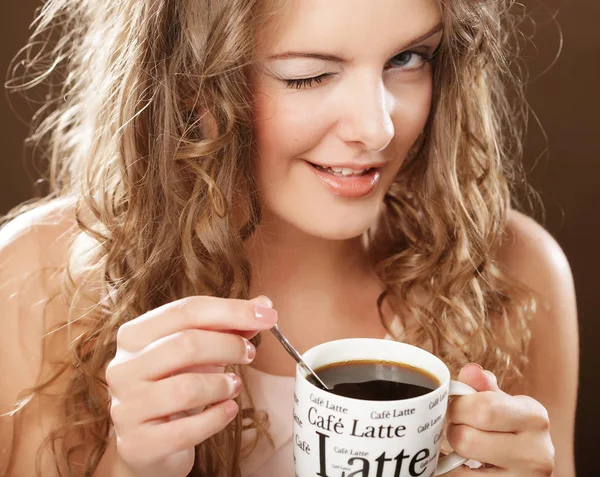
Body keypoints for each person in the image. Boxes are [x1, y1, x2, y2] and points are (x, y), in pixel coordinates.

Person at [0, 0, 578, 476]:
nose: (377, 128)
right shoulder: (34, 280)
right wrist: (130, 469)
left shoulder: (512, 271)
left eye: (408, 57)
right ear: (189, 81)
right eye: (308, 74)